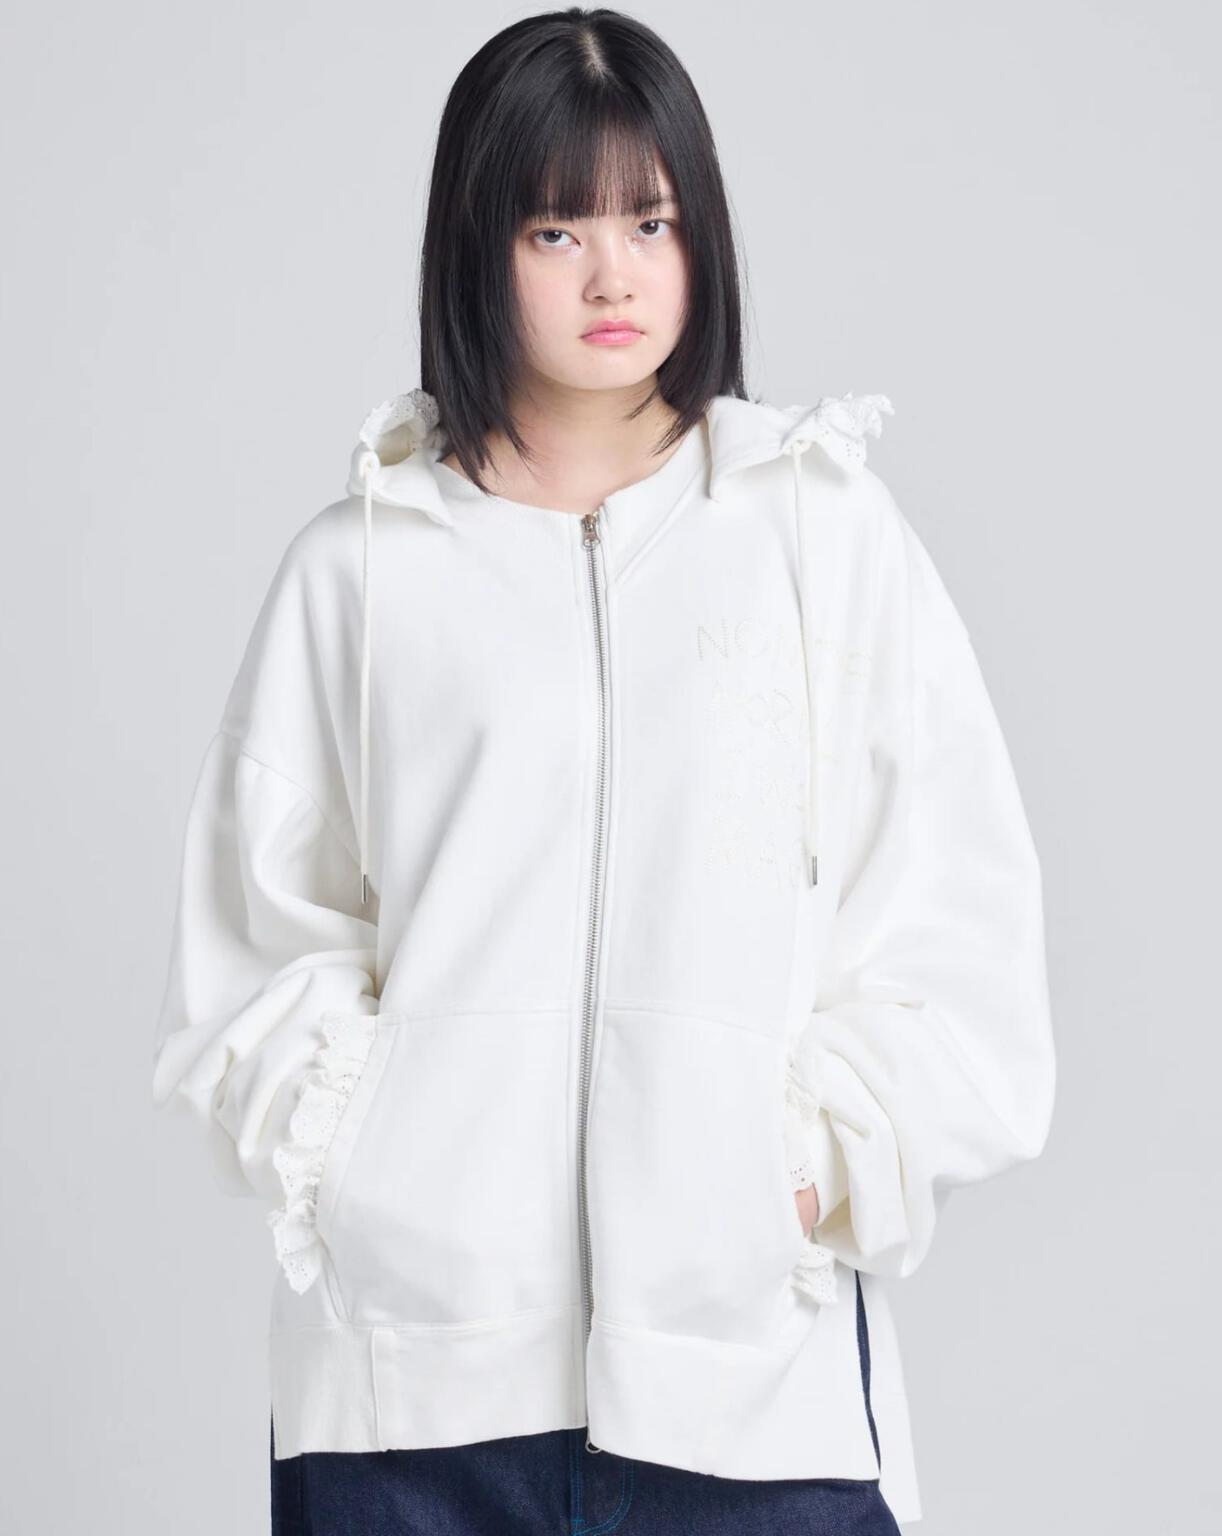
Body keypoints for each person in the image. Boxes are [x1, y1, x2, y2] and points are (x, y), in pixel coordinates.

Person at [150, 8, 1056, 1532]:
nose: (613, 275)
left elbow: (956, 923)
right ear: (477, 247)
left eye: (652, 220)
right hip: (413, 1402)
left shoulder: (820, 539)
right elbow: (252, 943)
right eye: (554, 229)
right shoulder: (360, 571)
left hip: (751, 1397)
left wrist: (796, 1177)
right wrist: (373, 1172)